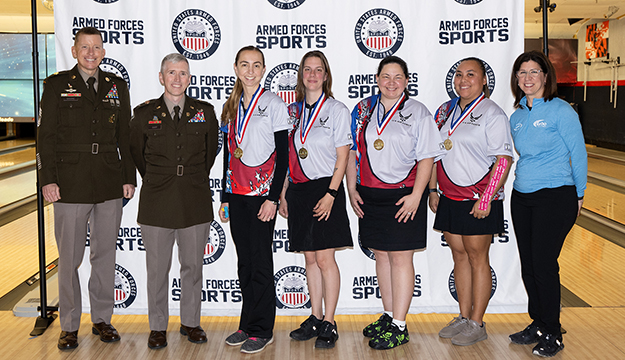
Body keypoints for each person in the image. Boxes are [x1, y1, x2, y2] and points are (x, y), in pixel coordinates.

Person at [37, 26, 136, 350]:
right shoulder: (56, 86)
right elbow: (45, 137)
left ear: (103, 52)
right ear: (74, 50)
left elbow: (125, 136)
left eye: (96, 47)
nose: (91, 52)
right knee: (69, 259)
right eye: (85, 47)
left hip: (108, 182)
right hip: (69, 185)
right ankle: (68, 325)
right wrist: (47, 180)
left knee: (104, 256)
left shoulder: (116, 86)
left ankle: (102, 320)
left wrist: (128, 177)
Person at [346, 56, 445, 350]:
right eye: (386, 76)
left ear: (406, 81)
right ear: (377, 79)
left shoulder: (419, 112)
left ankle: (400, 326)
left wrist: (418, 195)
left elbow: (428, 157)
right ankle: (389, 316)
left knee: (401, 258)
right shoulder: (363, 110)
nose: (391, 82)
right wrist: (351, 189)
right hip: (370, 195)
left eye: (398, 77)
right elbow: (352, 151)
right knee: (381, 256)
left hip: (404, 196)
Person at [129, 53, 219, 350]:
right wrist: (161, 176)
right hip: (157, 200)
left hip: (194, 198)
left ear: (189, 78)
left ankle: (191, 322)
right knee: (157, 270)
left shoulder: (204, 112)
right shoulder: (144, 114)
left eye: (183, 73)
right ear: (161, 77)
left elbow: (210, 154)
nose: (177, 78)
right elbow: (137, 155)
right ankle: (157, 327)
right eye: (171, 73)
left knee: (192, 267)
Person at [429, 57, 513, 346]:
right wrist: (433, 189)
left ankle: (478, 322)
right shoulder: (445, 111)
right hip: (450, 197)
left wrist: (487, 198)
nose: (463, 80)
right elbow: (435, 154)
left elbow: (503, 159)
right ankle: (464, 317)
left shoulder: (492, 113)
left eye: (470, 74)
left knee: (479, 259)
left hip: (479, 199)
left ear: (484, 80)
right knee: (459, 256)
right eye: (459, 74)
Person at [507, 50, 587, 357]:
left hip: (556, 196)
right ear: (516, 79)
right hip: (522, 196)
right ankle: (538, 322)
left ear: (545, 77)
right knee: (529, 265)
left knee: (543, 264)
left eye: (533, 72)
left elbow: (578, 154)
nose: (527, 78)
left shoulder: (561, 110)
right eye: (522, 73)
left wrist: (579, 195)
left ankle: (553, 332)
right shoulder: (516, 116)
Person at [278, 50, 353, 349]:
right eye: (307, 70)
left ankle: (330, 322)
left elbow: (343, 154)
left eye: (318, 69)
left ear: (326, 75)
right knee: (309, 258)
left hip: (326, 188)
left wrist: (332, 193)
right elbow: (287, 156)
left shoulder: (336, 109)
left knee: (324, 258)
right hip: (298, 191)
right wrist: (283, 193)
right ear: (301, 75)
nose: (312, 75)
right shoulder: (292, 112)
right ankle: (315, 315)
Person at [218, 46, 289, 354]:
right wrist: (224, 196)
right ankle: (247, 324)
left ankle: (263, 329)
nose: (250, 70)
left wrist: (274, 198)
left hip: (262, 197)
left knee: (260, 263)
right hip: (236, 194)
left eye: (256, 65)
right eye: (244, 64)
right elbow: (227, 155)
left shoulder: (274, 104)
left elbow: (284, 157)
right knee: (244, 263)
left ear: (263, 70)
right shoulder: (230, 106)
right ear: (236, 68)